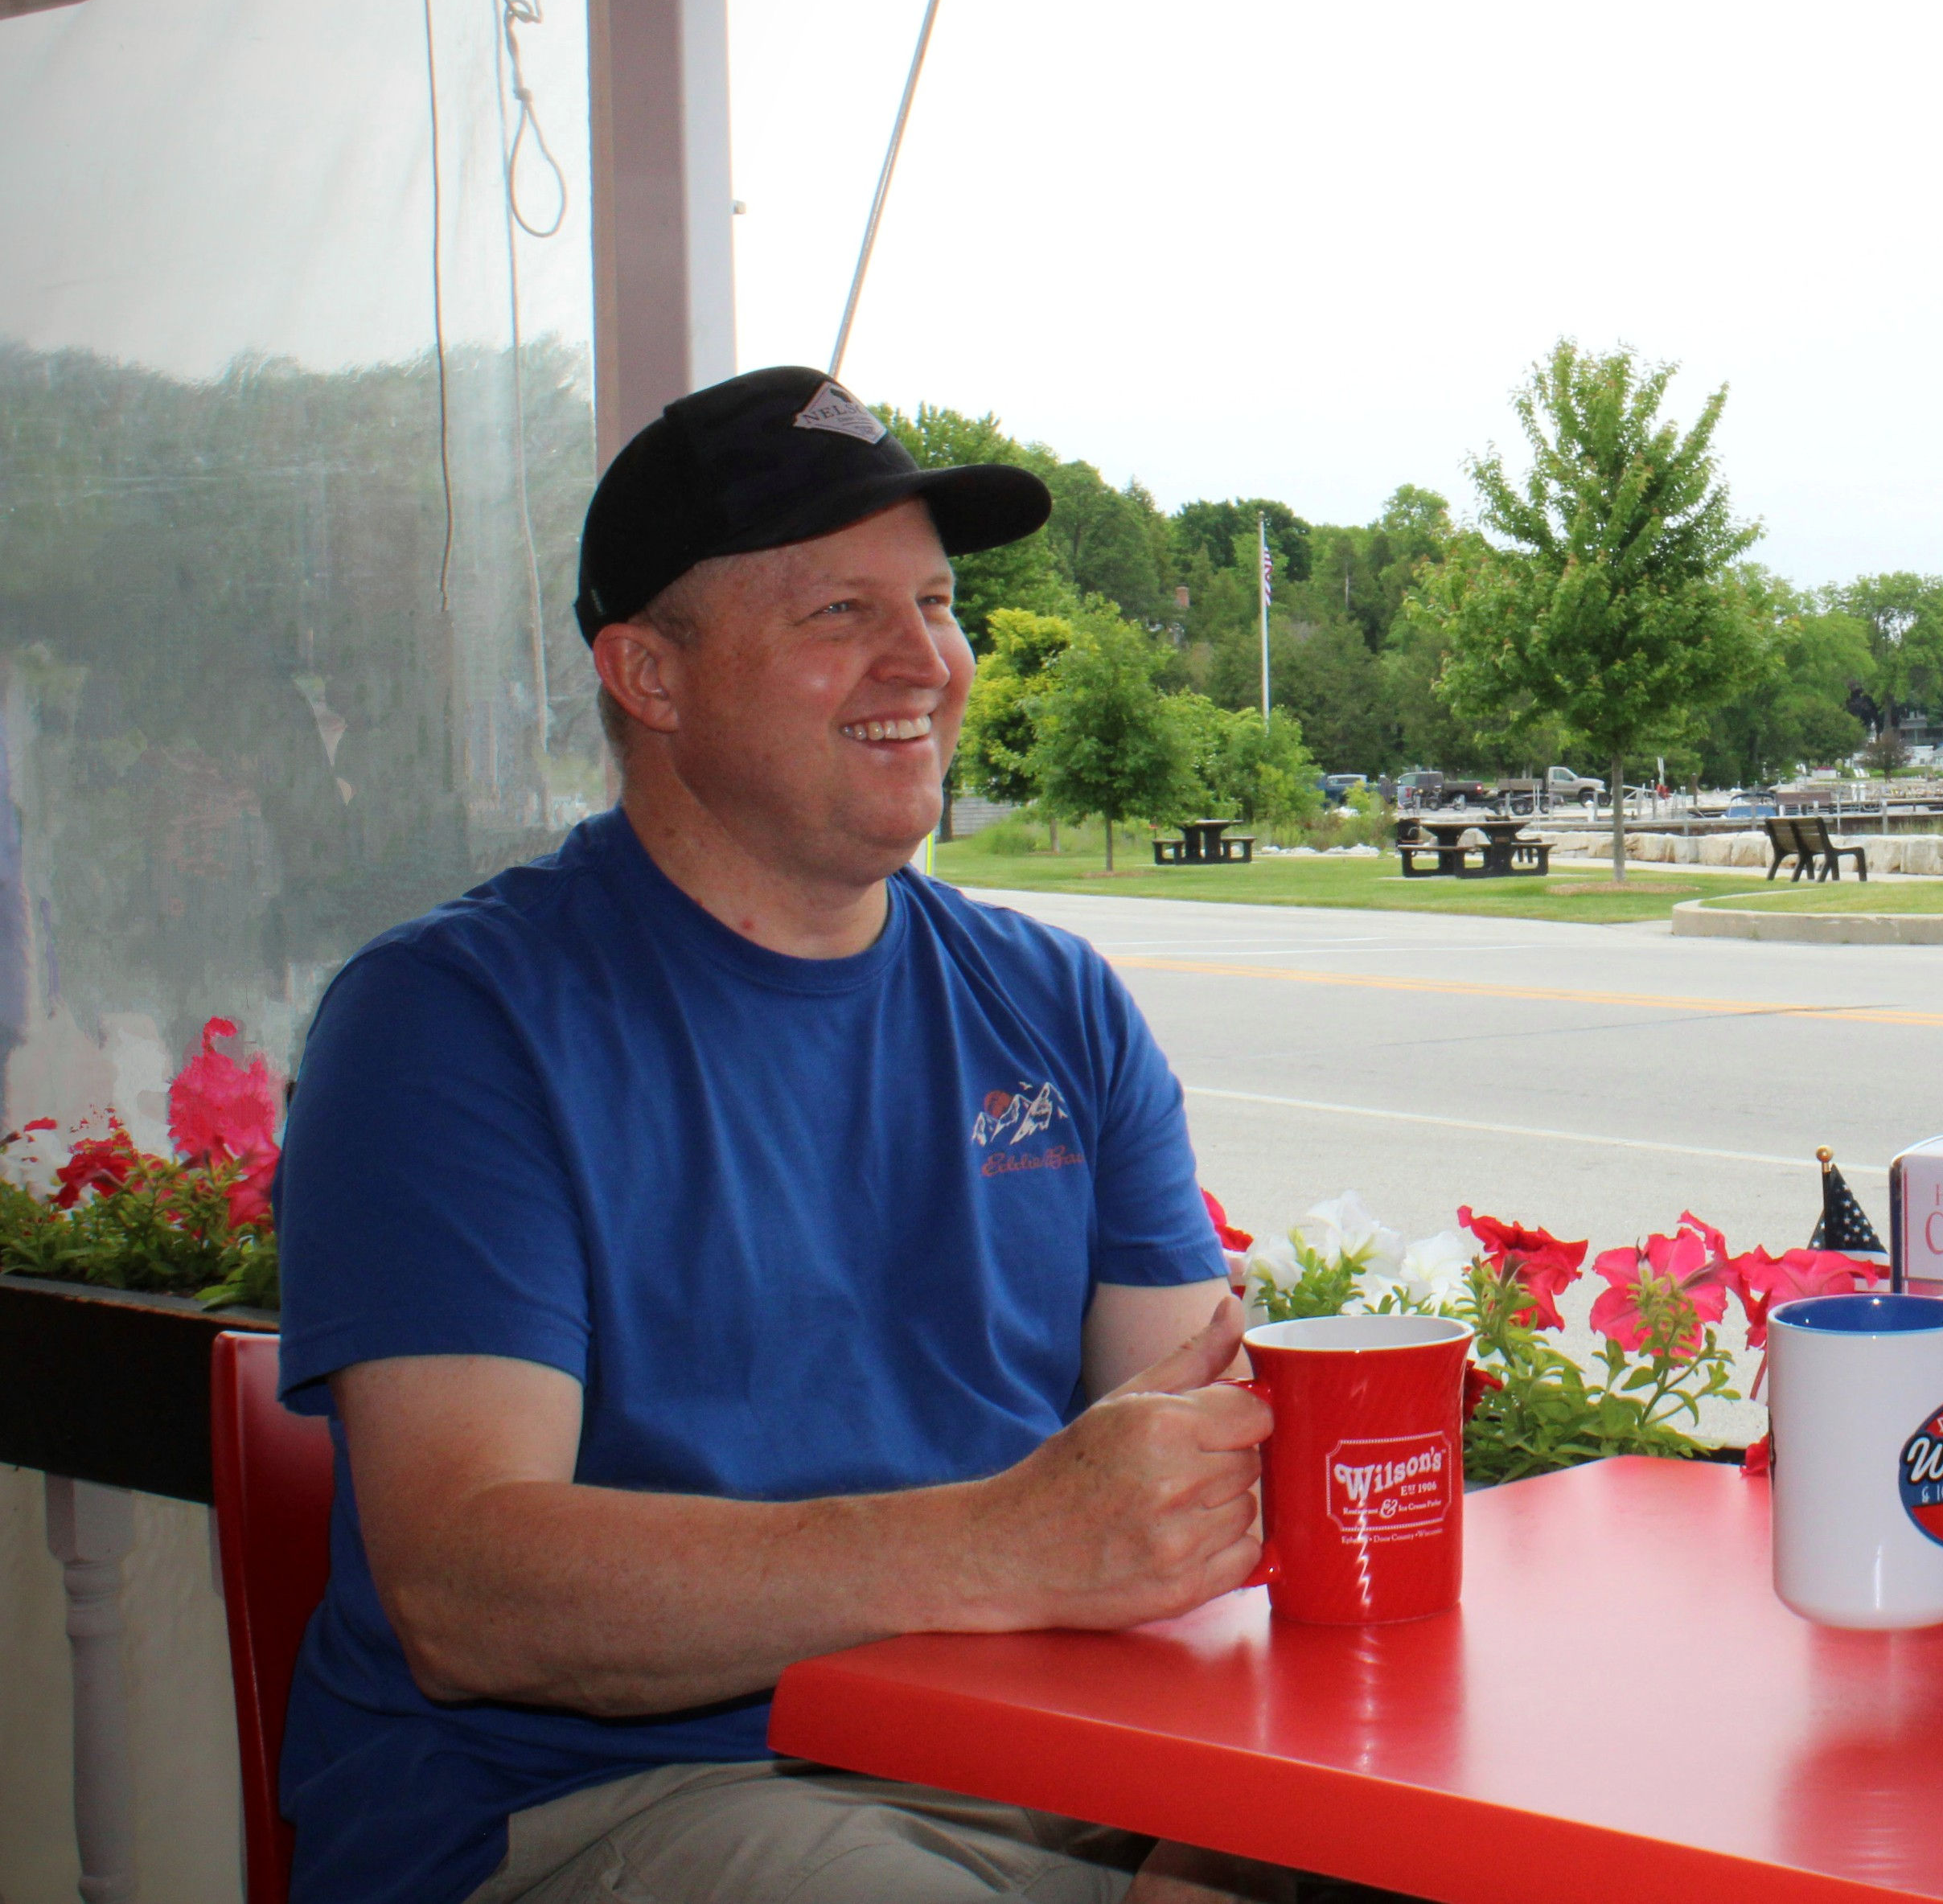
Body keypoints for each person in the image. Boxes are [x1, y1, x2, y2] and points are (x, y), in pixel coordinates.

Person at [276, 367, 1288, 1904]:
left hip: (1054, 1766)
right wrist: (1005, 1543)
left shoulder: (1054, 1004)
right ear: (650, 674)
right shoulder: (453, 1023)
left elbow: (1184, 1440)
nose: (926, 661)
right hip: (618, 1806)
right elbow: (468, 1592)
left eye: (937, 604)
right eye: (840, 612)